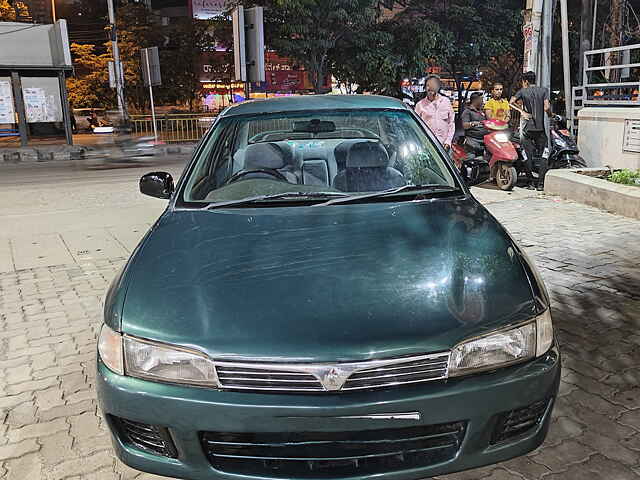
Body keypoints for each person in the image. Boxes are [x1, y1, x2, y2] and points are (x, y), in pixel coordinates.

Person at [510, 71, 553, 190]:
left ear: (526, 81)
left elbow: (511, 102)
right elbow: (547, 107)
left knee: (526, 155)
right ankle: (540, 184)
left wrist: (522, 111)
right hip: (540, 129)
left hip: (528, 129)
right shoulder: (544, 91)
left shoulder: (522, 91)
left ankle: (530, 183)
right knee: (544, 155)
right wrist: (550, 115)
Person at [415, 75, 455, 150]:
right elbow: (416, 127)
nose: (429, 88)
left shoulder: (446, 102)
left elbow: (451, 123)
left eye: (433, 85)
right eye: (427, 85)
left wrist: (448, 142)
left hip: (445, 146)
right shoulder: (420, 105)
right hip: (427, 147)